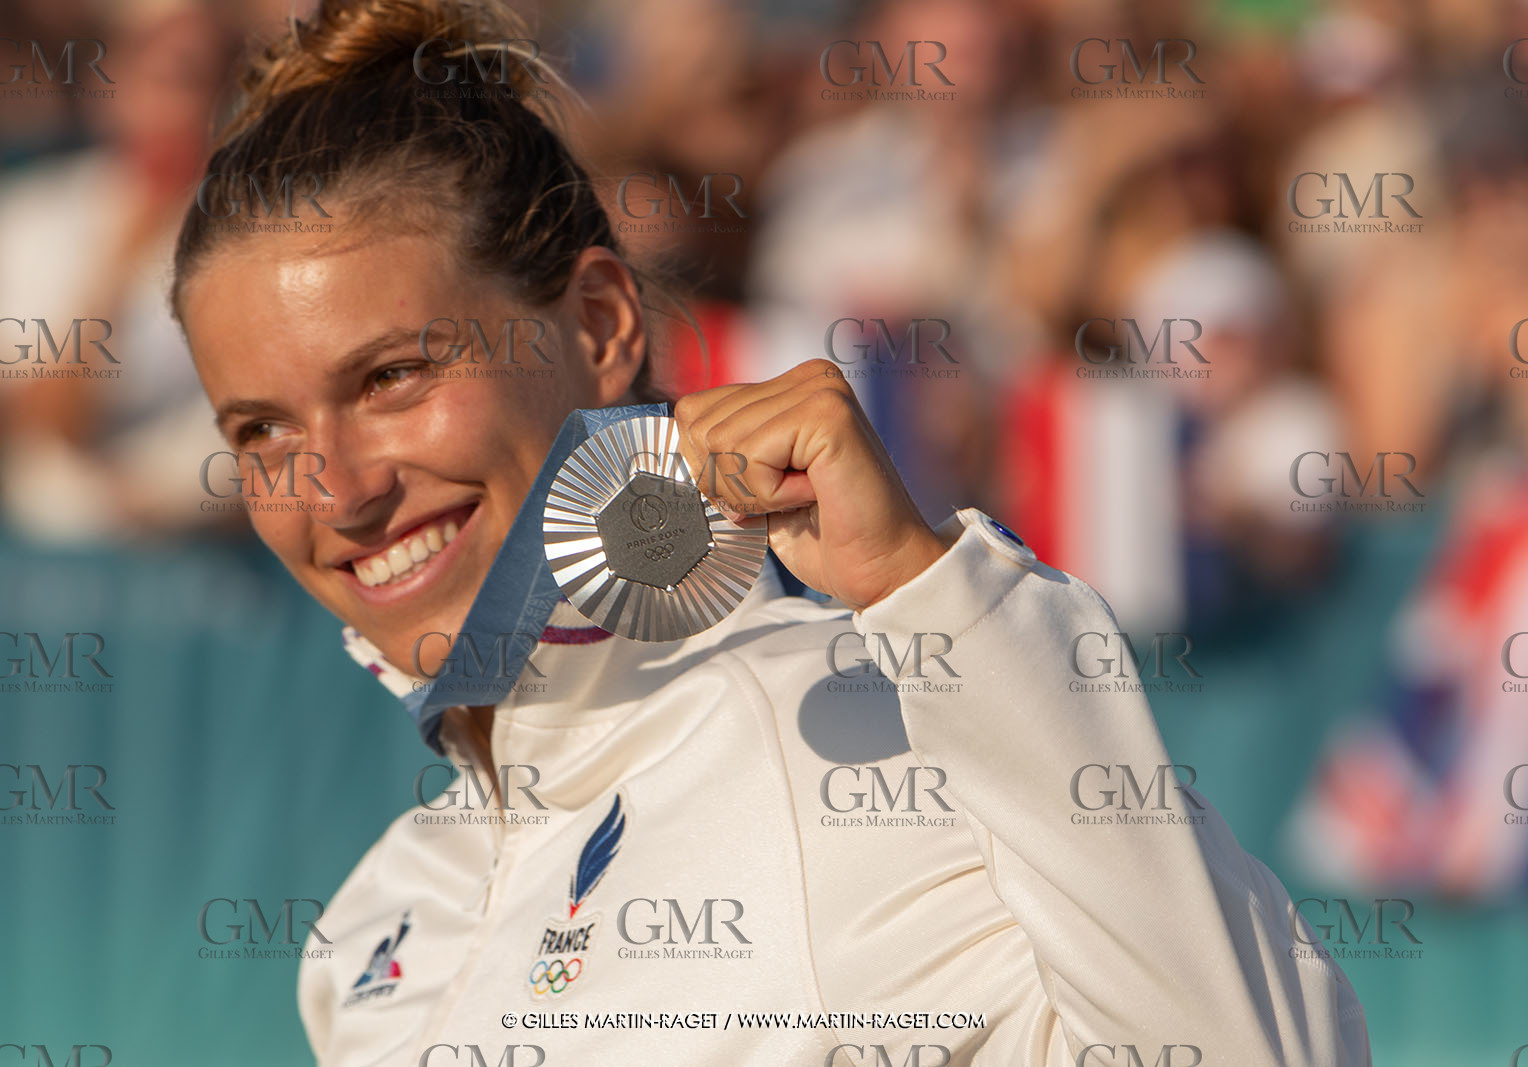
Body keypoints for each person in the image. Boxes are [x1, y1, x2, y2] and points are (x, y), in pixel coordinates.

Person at [169, 1, 1371, 1063]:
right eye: (262, 429)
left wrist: (932, 594)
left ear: (596, 324)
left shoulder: (848, 747)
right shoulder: (376, 920)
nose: (334, 489)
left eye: (391, 375)